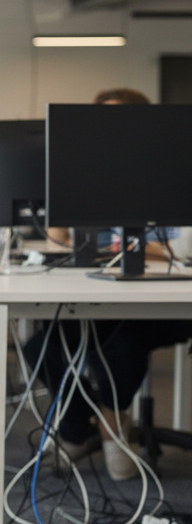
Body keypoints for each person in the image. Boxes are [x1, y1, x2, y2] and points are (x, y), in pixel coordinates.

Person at [25, 87, 192, 480]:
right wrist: (64, 180)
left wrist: (130, 249)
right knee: (43, 343)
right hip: (96, 292)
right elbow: (60, 240)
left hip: (166, 299)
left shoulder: (174, 167)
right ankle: (82, 425)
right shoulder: (90, 171)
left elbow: (186, 243)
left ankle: (110, 429)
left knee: (123, 340)